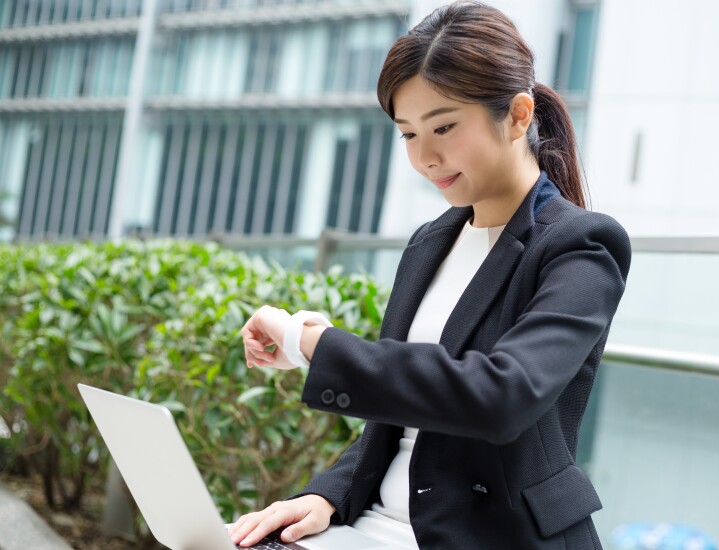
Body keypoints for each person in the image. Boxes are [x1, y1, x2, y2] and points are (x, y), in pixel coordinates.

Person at [230, 1, 631, 548]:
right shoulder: (430, 242)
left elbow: (501, 397)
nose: (426, 157)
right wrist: (327, 495)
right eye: (408, 134)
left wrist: (312, 343)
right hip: (373, 528)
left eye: (443, 127)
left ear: (517, 115)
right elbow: (401, 421)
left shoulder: (579, 244)